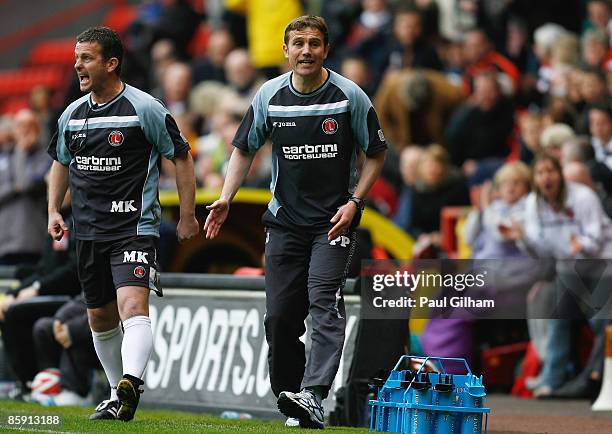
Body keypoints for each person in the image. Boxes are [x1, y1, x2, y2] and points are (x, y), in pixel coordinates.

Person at [204, 15, 387, 429]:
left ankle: (315, 392)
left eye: (314, 44)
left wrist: (355, 203)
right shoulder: (268, 96)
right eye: (298, 44)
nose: (306, 51)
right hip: (284, 223)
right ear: (285, 51)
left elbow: (376, 152)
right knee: (280, 317)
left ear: (326, 50)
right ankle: (293, 397)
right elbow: (243, 149)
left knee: (324, 304)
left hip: (333, 222)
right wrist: (225, 198)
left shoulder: (348, 96)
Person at [46, 27, 199, 422]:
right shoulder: (72, 115)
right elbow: (60, 163)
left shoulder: (144, 108)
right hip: (89, 231)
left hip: (134, 227)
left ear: (111, 64)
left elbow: (180, 157)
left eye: (87, 58)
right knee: (99, 317)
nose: (77, 64)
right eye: (76, 57)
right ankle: (118, 393)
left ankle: (132, 379)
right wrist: (53, 211)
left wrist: (186, 214)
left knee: (132, 305)